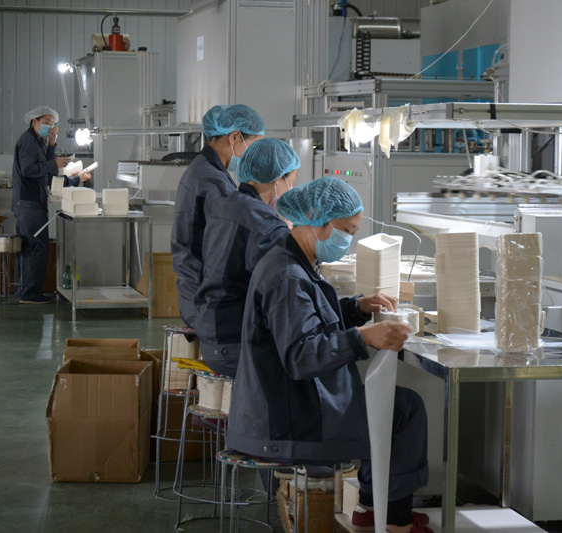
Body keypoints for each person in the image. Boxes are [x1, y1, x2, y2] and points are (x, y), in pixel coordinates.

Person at [226, 177, 432, 533]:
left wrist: (355, 308)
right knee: (405, 410)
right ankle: (395, 522)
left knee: (395, 405)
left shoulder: (291, 262)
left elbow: (307, 322)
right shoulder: (288, 277)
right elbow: (302, 355)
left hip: (286, 406)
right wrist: (362, 337)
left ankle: (370, 508)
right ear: (317, 222)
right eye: (346, 231)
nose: (347, 240)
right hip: (290, 421)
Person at [195, 138, 299, 377]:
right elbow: (280, 284)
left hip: (212, 331)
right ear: (277, 179)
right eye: (291, 182)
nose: (291, 190)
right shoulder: (264, 223)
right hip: (235, 341)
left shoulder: (226, 204)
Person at [170, 104, 265, 328]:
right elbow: (229, 236)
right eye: (253, 146)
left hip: (198, 292)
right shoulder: (211, 181)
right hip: (205, 297)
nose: (253, 156)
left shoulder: (206, 170)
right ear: (234, 137)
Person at [12, 106, 91, 304]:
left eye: (53, 123)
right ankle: (29, 293)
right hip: (28, 202)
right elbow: (29, 169)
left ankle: (23, 291)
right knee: (36, 247)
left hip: (33, 202)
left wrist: (53, 143)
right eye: (46, 122)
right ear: (34, 122)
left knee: (28, 247)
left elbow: (48, 174)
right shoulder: (28, 141)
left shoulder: (39, 142)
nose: (50, 126)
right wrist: (55, 163)